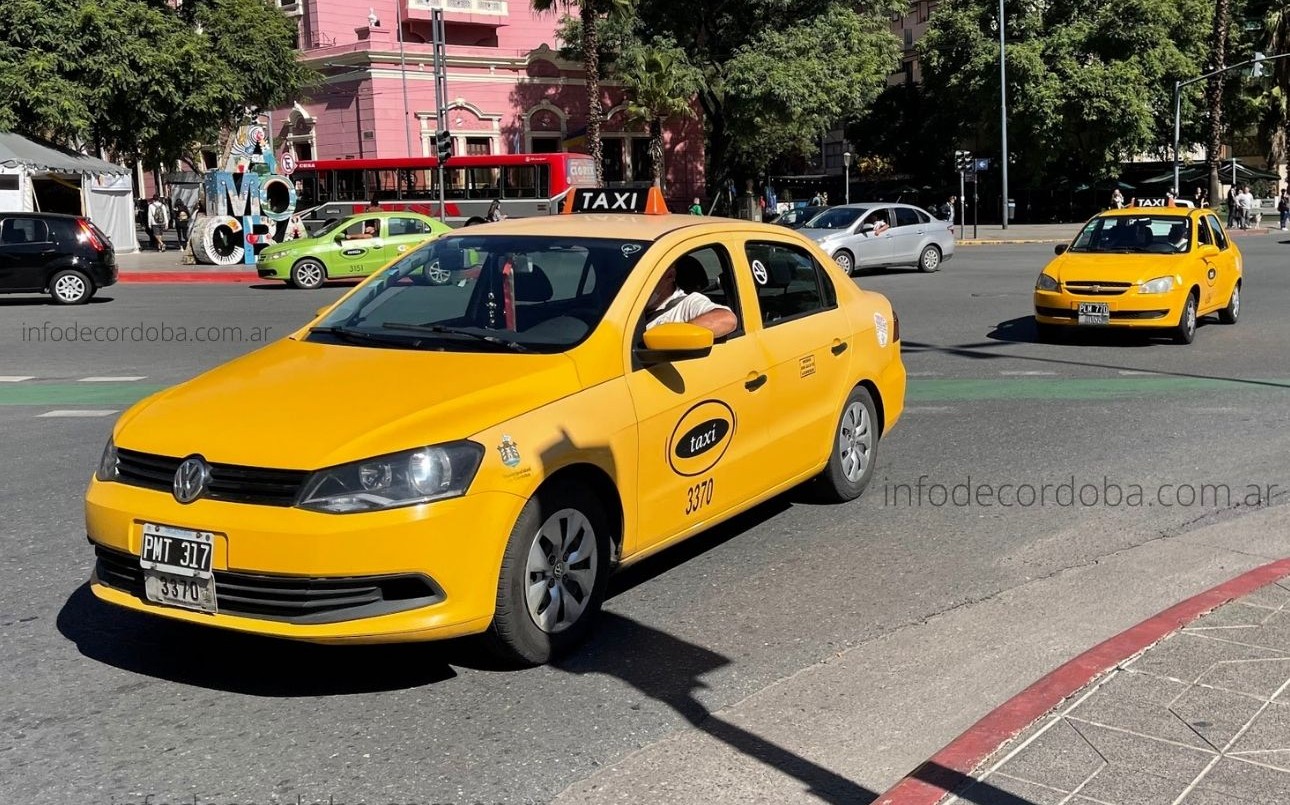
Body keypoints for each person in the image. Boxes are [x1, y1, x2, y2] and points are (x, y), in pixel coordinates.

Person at [643, 255, 737, 338]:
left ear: (670, 276)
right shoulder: (632, 303)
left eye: (646, 279)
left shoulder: (688, 303)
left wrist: (674, 336)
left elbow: (727, 319)